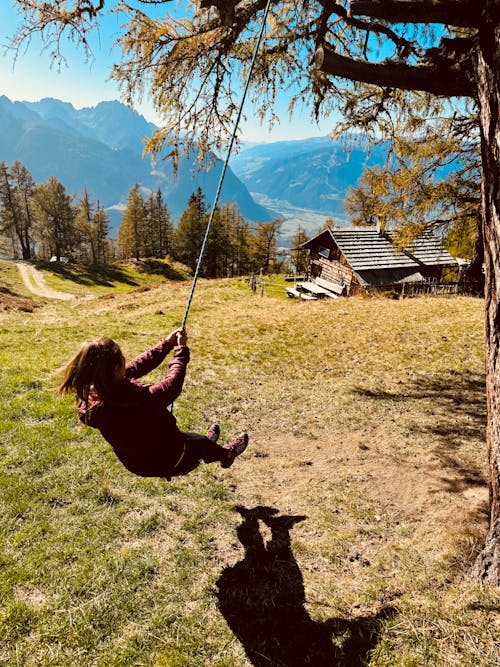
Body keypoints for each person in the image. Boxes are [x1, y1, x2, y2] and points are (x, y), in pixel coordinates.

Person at [57, 328, 249, 479]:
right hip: (170, 460)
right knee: (197, 444)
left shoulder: (94, 399)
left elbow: (137, 366)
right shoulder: (139, 400)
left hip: (137, 463)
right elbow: (171, 386)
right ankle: (226, 456)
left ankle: (206, 446)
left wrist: (166, 345)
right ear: (116, 367)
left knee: (192, 441)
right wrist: (180, 352)